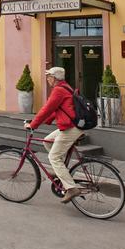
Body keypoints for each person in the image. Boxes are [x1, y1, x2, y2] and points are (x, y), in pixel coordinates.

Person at [23, 66, 83, 203]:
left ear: (54, 78)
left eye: (49, 76)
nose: (47, 79)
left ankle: (71, 188)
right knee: (47, 140)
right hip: (71, 126)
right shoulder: (65, 87)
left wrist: (33, 125)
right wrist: (45, 121)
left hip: (71, 128)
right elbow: (55, 110)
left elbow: (46, 109)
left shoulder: (59, 90)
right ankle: (60, 172)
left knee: (54, 157)